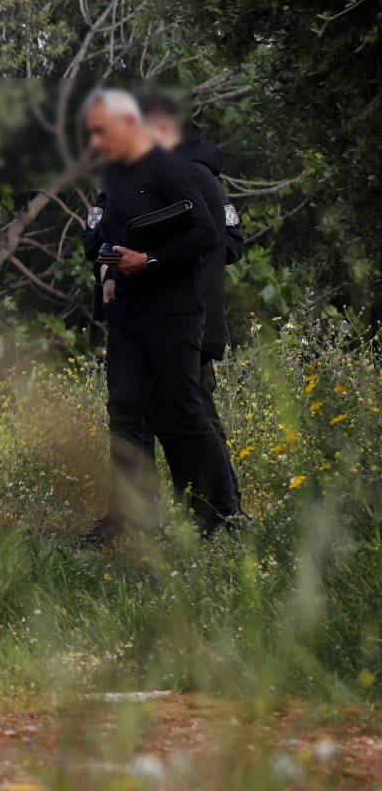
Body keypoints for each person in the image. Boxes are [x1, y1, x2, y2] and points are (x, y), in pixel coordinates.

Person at [78, 88, 241, 543]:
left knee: (185, 411)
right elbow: (102, 237)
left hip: (178, 313)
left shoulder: (184, 171)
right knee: (128, 410)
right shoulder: (115, 175)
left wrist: (151, 259)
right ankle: (135, 518)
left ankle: (222, 514)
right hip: (129, 311)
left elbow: (217, 240)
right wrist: (110, 271)